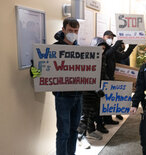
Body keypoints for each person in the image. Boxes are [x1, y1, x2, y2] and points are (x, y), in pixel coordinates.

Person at [53, 17, 82, 155]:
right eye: (70, 30)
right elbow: (39, 71)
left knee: (74, 131)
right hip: (63, 97)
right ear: (63, 29)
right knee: (64, 132)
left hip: (78, 96)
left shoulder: (80, 50)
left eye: (76, 31)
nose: (73, 33)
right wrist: (36, 71)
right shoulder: (54, 48)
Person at [101, 30, 137, 124]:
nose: (110, 39)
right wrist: (117, 44)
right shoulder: (101, 46)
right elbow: (107, 54)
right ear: (103, 37)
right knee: (102, 101)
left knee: (107, 100)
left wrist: (131, 47)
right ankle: (100, 123)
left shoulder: (112, 49)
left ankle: (108, 119)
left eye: (112, 38)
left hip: (110, 77)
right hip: (102, 78)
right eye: (108, 37)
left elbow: (123, 56)